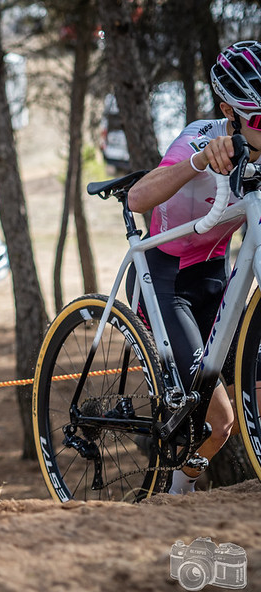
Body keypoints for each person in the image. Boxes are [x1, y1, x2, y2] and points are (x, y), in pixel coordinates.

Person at [126, 40, 261, 494]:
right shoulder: (200, 137)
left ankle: (177, 491)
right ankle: (171, 496)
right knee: (219, 419)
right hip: (164, 278)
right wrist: (198, 162)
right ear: (229, 110)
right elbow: (138, 199)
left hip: (215, 276)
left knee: (226, 421)